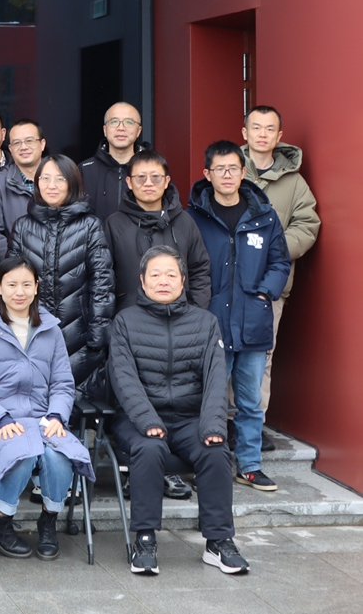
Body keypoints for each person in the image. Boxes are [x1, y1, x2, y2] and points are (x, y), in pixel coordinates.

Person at [109, 247, 249, 577]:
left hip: (189, 418)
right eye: (155, 275)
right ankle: (144, 540)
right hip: (137, 418)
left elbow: (216, 379)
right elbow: (122, 377)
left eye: (171, 274)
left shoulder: (205, 322)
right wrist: (147, 420)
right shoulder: (125, 321)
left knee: (215, 451)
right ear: (142, 281)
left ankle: (219, 541)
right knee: (149, 448)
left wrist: (213, 424)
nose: (163, 281)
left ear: (183, 280)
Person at [0, 258, 94, 561]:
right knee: (21, 453)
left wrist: (57, 415)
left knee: (59, 456)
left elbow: (63, 383)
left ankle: (49, 520)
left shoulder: (50, 330)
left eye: (26, 284)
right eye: (11, 284)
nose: (19, 292)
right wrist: (1, 417)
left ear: (36, 288)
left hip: (43, 419)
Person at [188, 140, 290, 491]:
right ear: (208, 174)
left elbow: (280, 261)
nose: (227, 175)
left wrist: (265, 292)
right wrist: (198, 303)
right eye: (220, 169)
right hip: (211, 322)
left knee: (250, 402)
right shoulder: (194, 217)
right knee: (210, 401)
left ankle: (249, 466)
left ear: (243, 172)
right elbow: (183, 264)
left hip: (253, 322)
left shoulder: (264, 216)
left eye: (233, 168)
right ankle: (208, 465)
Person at [5, 155, 115, 403]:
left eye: (59, 179)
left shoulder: (90, 226)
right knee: (32, 403)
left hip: (81, 336)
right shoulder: (22, 226)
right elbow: (11, 281)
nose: (51, 185)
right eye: (45, 178)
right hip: (32, 334)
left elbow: (102, 283)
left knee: (74, 404)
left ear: (72, 183)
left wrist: (98, 336)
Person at [241, 105, 321, 420]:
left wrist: (270, 250)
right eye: (256, 127)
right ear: (245, 133)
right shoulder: (228, 169)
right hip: (228, 282)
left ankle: (252, 426)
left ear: (279, 136)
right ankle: (225, 423)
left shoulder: (294, 182)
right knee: (223, 352)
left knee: (261, 356)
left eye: (270, 129)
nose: (262, 134)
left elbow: (307, 225)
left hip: (270, 285)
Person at [105, 150, 212, 311]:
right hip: (130, 319)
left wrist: (195, 312)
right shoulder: (114, 224)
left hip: (180, 318)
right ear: (129, 182)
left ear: (167, 181)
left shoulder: (185, 222)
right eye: (141, 177)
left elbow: (199, 271)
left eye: (155, 177)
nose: (148, 183)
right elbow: (104, 278)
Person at [0, 119, 46, 259]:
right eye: (17, 143)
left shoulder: (60, 178)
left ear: (42, 144)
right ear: (10, 149)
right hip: (17, 267)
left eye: (29, 141)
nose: (23, 147)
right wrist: (16, 265)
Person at [80, 102, 150, 223]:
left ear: (138, 131)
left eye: (129, 122)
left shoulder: (153, 169)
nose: (121, 128)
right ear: (105, 130)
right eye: (114, 122)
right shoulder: (85, 170)